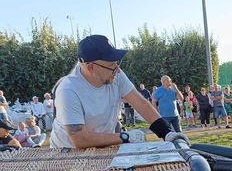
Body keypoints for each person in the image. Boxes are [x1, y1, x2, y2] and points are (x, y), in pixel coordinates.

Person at [49, 34, 180, 149]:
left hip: (102, 148)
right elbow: (80, 139)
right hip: (68, 154)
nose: (117, 70)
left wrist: (167, 132)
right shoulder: (68, 90)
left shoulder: (115, 74)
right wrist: (125, 136)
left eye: (118, 64)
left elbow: (140, 103)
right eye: (112, 66)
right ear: (91, 67)